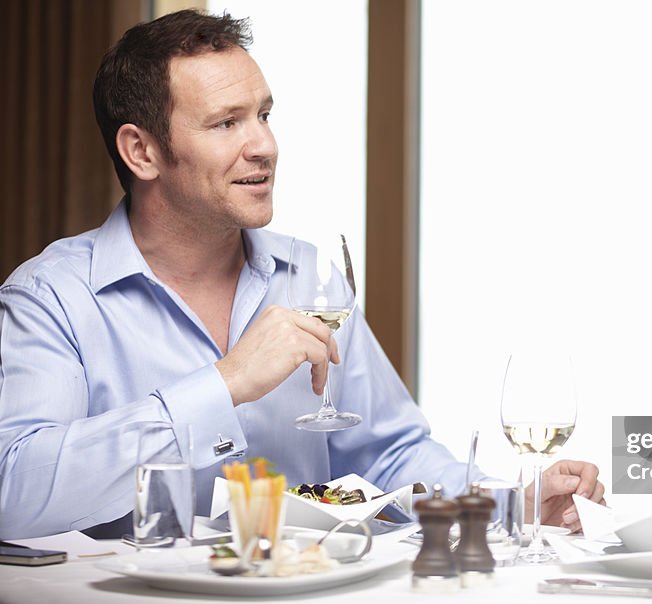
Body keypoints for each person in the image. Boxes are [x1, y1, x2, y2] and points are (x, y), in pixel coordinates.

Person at [0, 9, 603, 540]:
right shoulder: (51, 296)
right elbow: (15, 493)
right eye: (225, 123)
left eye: (263, 114)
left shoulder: (309, 276)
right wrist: (224, 384)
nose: (264, 144)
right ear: (143, 152)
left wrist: (507, 505)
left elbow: (388, 454)